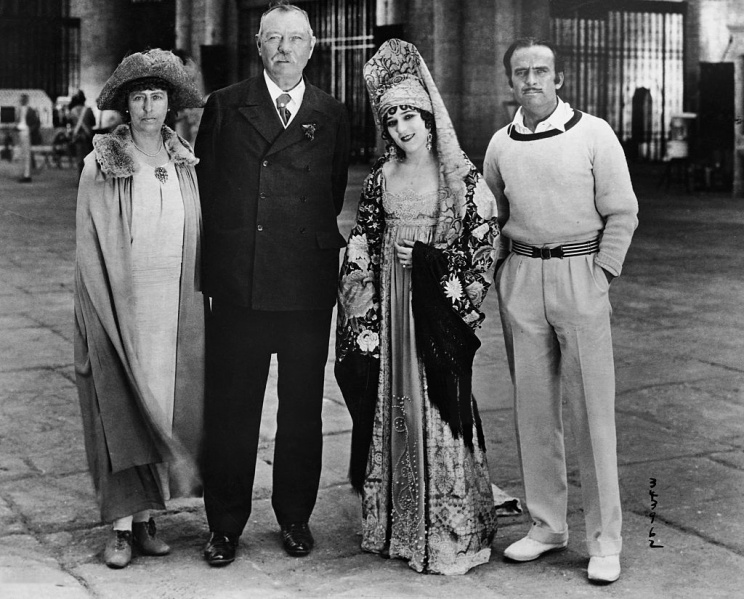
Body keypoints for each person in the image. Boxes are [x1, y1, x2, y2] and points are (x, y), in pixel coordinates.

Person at [336, 39, 500, 575]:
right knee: (392, 403)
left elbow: (482, 243)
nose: (403, 127)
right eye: (392, 118)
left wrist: (431, 259)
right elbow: (361, 237)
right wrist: (361, 309)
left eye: (411, 115)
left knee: (436, 404)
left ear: (429, 119)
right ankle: (397, 526)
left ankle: (448, 529)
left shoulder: (460, 180)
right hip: (391, 309)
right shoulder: (380, 178)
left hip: (432, 315)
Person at [194, 0, 350, 566]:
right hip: (240, 281)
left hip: (305, 285)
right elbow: (208, 192)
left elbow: (330, 195)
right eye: (273, 39)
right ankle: (225, 525)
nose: (285, 49)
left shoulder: (331, 112)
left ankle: (294, 518)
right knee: (232, 410)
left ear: (312, 47)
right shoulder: (226, 106)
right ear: (258, 46)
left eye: (296, 39)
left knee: (302, 410)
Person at [483, 37, 639, 584]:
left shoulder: (593, 134)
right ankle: (547, 525)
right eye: (521, 72)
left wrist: (602, 274)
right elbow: (493, 213)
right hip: (522, 277)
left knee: (592, 411)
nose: (531, 80)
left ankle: (605, 539)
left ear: (560, 78)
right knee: (533, 408)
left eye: (541, 71)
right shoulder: (501, 144)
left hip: (581, 274)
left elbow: (622, 211)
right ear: (510, 82)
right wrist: (500, 274)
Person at [74, 48, 205, 569]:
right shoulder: (101, 163)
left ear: (169, 105)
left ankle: (149, 518)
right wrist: (97, 312)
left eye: (157, 97)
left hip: (172, 305)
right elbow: (89, 246)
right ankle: (120, 528)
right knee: (122, 405)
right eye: (139, 98)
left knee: (162, 402)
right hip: (122, 303)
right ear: (125, 107)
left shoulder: (183, 162)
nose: (149, 107)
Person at [69, 90, 96, 175]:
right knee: (88, 157)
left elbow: (70, 123)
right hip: (87, 136)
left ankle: (80, 177)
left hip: (76, 136)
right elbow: (93, 122)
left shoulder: (72, 111)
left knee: (79, 157)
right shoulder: (88, 110)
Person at [15, 94, 40, 183]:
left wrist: (29, 130)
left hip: (26, 132)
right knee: (22, 154)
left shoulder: (31, 110)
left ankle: (27, 175)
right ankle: (23, 174)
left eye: (23, 99)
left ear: (26, 100)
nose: (21, 101)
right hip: (20, 132)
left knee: (26, 154)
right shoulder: (18, 110)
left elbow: (37, 122)